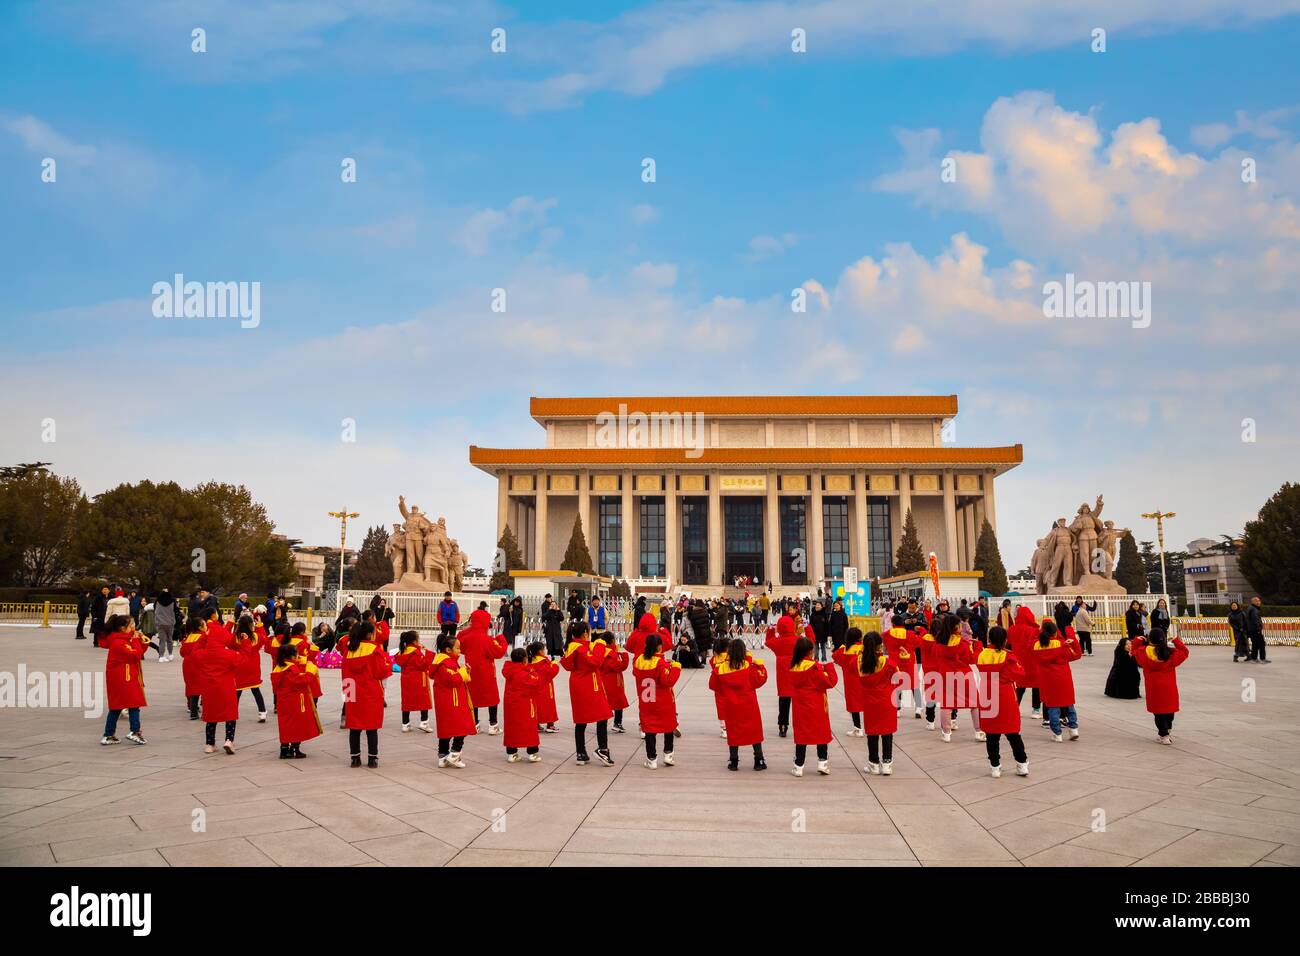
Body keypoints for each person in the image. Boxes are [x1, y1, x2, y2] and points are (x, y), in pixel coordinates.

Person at [975, 625, 1029, 778]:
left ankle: (995, 767)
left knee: (992, 735)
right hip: (1004, 695)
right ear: (1005, 640)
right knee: (1013, 733)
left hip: (987, 694)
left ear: (989, 638)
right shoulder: (1008, 657)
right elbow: (1021, 675)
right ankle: (1022, 764)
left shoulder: (982, 655)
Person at [560, 621, 614, 766]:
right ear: (585, 633)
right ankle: (603, 749)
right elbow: (596, 661)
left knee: (581, 719)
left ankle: (581, 753)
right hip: (589, 684)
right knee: (603, 715)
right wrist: (601, 645)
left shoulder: (572, 647)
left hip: (578, 684)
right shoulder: (580, 649)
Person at [709, 638, 767, 771]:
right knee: (754, 732)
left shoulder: (721, 669)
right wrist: (761, 666)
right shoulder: (748, 667)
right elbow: (761, 679)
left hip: (731, 706)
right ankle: (759, 759)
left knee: (733, 733)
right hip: (749, 705)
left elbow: (713, 685)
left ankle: (733, 761)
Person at [342, 621, 392, 768]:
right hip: (371, 691)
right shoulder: (374, 650)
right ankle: (372, 759)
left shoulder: (350, 650)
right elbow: (382, 672)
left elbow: (344, 674)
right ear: (370, 634)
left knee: (354, 727)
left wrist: (347, 695)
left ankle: (355, 758)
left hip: (352, 691)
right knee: (372, 728)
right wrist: (387, 661)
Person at [1130, 629, 1191, 744]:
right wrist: (1176, 641)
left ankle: (1164, 734)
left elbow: (1133, 652)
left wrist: (1137, 641)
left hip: (1154, 688)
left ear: (1150, 639)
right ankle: (1168, 730)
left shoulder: (1144, 652)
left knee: (1158, 712)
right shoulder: (1170, 653)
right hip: (1169, 687)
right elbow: (1185, 652)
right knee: (1169, 710)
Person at [789, 635, 837, 776]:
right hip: (816, 704)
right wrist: (828, 667)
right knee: (821, 733)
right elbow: (830, 682)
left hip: (800, 706)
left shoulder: (793, 668)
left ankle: (799, 765)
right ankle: (822, 763)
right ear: (810, 651)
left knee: (801, 735)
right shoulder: (814, 668)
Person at [634, 632, 682, 769]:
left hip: (646, 700)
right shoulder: (660, 663)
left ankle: (651, 758)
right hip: (663, 700)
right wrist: (676, 667)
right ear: (659, 647)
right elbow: (668, 681)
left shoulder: (639, 661)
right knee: (668, 726)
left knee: (650, 729)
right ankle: (668, 754)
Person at [100, 616, 149, 745]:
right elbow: (136, 654)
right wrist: (137, 640)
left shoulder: (125, 639)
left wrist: (140, 640)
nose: (134, 626)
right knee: (133, 703)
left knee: (117, 707)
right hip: (123, 678)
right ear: (123, 628)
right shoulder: (119, 642)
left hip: (125, 676)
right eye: (131, 624)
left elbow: (140, 651)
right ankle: (135, 731)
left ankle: (109, 734)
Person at [196, 612, 240, 754]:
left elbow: (194, 651)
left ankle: (210, 743)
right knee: (230, 715)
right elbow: (243, 659)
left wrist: (204, 637)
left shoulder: (202, 654)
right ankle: (229, 740)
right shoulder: (229, 655)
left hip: (209, 688)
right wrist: (245, 643)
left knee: (211, 716)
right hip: (226, 687)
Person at [458, 605, 506, 735]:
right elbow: (499, 652)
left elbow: (459, 641)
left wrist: (470, 629)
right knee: (492, 698)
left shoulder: (466, 637)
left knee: (473, 697)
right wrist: (501, 639)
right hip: (487, 673)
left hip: (471, 671)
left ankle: (475, 724)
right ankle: (493, 724)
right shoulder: (488, 639)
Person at [1031, 620, 1082, 742]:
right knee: (1069, 703)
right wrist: (1073, 641)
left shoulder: (1037, 645)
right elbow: (1076, 655)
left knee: (1053, 706)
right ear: (1055, 632)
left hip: (1047, 679)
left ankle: (1057, 733)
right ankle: (1073, 728)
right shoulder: (1062, 644)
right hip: (1063, 678)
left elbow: (1030, 645)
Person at [856, 631, 898, 775]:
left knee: (872, 733)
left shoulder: (860, 661)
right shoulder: (887, 662)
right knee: (887, 733)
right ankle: (887, 764)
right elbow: (897, 675)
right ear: (880, 646)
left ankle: (873, 763)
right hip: (886, 700)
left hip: (870, 701)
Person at [270, 641, 321, 758]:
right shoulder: (291, 668)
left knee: (285, 724)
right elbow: (300, 681)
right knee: (297, 724)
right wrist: (310, 672)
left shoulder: (279, 667)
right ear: (292, 656)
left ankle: (284, 749)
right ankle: (295, 748)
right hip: (295, 701)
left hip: (283, 701)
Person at [431, 632, 476, 768]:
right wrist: (462, 672)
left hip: (448, 700)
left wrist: (464, 672)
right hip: (451, 701)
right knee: (462, 726)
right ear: (448, 650)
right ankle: (454, 754)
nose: (460, 651)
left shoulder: (446, 661)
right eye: (457, 648)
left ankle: (443, 756)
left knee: (447, 728)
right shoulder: (445, 662)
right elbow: (452, 679)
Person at [502, 647, 543, 762]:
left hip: (511, 704)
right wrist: (532, 670)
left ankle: (512, 752)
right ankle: (532, 752)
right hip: (524, 703)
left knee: (511, 727)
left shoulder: (510, 670)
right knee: (529, 727)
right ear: (524, 659)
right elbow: (537, 682)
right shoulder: (523, 673)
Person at [765, 612, 800, 737]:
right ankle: (800, 724)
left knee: (784, 701)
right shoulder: (798, 640)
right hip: (797, 672)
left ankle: (783, 725)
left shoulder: (777, 642)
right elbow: (811, 641)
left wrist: (770, 630)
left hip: (783, 675)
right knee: (799, 701)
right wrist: (807, 628)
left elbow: (768, 642)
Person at [394, 630, 433, 733]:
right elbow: (423, 664)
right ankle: (424, 722)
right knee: (424, 700)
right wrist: (426, 653)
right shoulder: (416, 652)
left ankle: (405, 724)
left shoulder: (403, 651)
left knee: (406, 701)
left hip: (406, 680)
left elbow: (398, 660)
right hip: (419, 679)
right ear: (415, 641)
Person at [1008, 606, 1043, 719]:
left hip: (1018, 662)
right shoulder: (1034, 630)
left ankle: (1014, 708)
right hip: (1033, 661)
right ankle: (1036, 710)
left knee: (1020, 686)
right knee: (1037, 686)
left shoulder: (1012, 629)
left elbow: (1008, 644)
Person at [233, 616, 269, 723]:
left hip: (240, 665)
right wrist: (260, 625)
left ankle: (233, 713)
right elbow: (265, 638)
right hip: (253, 666)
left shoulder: (236, 637)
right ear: (251, 625)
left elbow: (228, 643)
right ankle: (262, 712)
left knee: (237, 691)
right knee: (255, 690)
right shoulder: (256, 636)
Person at [832, 627, 866, 736]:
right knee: (867, 702)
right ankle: (870, 726)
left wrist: (842, 646)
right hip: (865, 679)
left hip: (851, 682)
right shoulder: (864, 648)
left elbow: (835, 656)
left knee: (854, 704)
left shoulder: (844, 650)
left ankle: (858, 728)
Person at [526, 641, 560, 734]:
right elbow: (551, 672)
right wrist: (555, 664)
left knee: (537, 706)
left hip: (535, 688)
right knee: (549, 706)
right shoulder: (543, 662)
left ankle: (536, 724)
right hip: (545, 688)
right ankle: (550, 725)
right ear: (540, 651)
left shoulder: (530, 661)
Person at [601, 637, 630, 734]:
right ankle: (617, 723)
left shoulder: (601, 652)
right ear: (612, 641)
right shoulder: (611, 654)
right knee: (618, 703)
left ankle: (602, 723)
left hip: (604, 681)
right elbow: (619, 667)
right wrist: (625, 657)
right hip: (613, 683)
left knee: (605, 703)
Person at [179, 618, 206, 719]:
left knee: (191, 686)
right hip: (199, 663)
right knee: (202, 686)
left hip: (187, 664)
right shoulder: (203, 636)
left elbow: (182, 652)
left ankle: (192, 709)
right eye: (204, 624)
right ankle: (197, 711)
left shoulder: (189, 636)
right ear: (200, 627)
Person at [152, 589, 177, 661]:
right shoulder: (172, 601)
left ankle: (161, 656)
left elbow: (154, 609)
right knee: (170, 639)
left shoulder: (157, 601)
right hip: (170, 623)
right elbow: (175, 610)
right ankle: (170, 654)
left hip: (160, 623)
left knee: (162, 640)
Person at [1245, 596, 1269, 663]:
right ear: (1253, 602)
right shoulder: (1254, 609)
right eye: (1256, 601)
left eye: (1259, 601)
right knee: (1261, 644)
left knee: (1255, 644)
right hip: (1255, 629)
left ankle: (1254, 658)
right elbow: (1255, 620)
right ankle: (1262, 659)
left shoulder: (1252, 608)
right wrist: (1258, 628)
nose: (1258, 602)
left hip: (1252, 629)